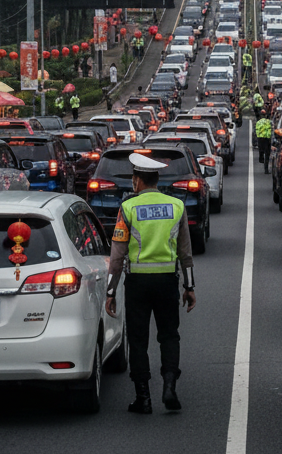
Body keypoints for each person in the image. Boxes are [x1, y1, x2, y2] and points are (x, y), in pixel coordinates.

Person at [105, 153, 196, 414]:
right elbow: (185, 252)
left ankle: (143, 398)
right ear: (156, 179)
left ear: (137, 181)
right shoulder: (176, 206)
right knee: (169, 335)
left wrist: (110, 291)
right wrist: (189, 287)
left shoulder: (128, 208)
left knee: (138, 340)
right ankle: (169, 386)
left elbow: (117, 255)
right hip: (168, 282)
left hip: (138, 285)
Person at [256, 109, 272, 173]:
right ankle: (266, 169)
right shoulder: (269, 122)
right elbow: (271, 130)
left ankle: (261, 157)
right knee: (267, 154)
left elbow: (257, 131)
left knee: (261, 150)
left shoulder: (258, 122)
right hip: (267, 139)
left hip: (260, 139)